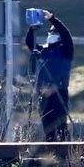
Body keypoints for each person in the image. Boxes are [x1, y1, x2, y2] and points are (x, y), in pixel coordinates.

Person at [24, 9, 74, 141]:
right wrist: (32, 28)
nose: (51, 34)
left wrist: (52, 19)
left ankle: (66, 153)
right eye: (51, 32)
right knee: (48, 128)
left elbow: (66, 34)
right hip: (44, 93)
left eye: (54, 32)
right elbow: (30, 43)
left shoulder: (66, 50)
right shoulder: (43, 50)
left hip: (59, 91)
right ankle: (52, 154)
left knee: (61, 127)